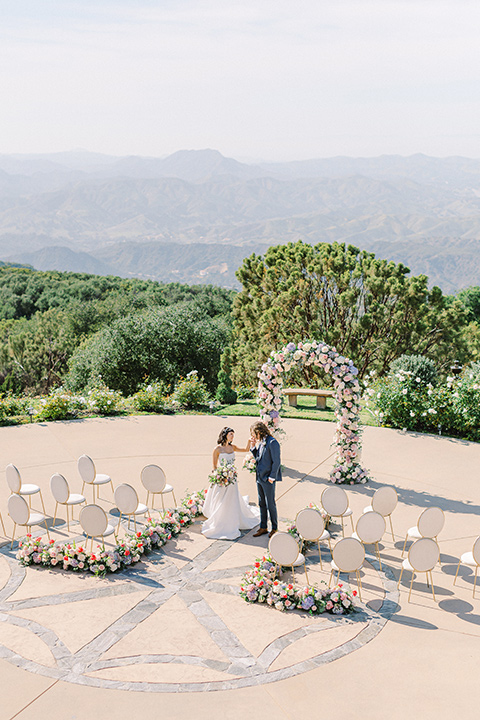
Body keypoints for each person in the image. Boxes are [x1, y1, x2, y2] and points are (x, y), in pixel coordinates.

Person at [201, 427, 260, 540]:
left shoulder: (233, 447)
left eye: (233, 434)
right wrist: (220, 476)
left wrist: (249, 442)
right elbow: (214, 467)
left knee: (232, 498)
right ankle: (219, 517)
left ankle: (231, 517)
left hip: (232, 478)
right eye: (231, 434)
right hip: (222, 478)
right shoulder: (217, 449)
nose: (233, 436)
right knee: (220, 498)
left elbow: (246, 449)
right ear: (225, 435)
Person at [249, 421, 282, 538]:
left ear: (259, 432)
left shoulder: (272, 443)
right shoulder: (262, 443)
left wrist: (272, 477)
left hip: (268, 479)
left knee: (270, 504)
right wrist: (253, 447)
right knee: (261, 503)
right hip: (259, 478)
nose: (253, 436)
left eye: (254, 433)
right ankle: (263, 527)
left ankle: (274, 528)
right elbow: (259, 458)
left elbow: (276, 462)